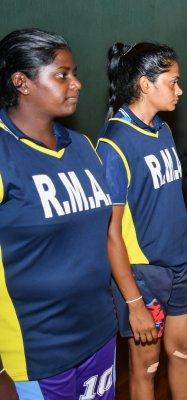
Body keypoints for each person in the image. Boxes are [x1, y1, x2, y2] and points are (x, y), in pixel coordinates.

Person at [0, 29, 117, 400]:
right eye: (62, 74)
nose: (77, 84)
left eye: (75, 72)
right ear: (22, 83)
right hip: (38, 351)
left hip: (98, 333)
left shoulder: (83, 146)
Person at [97, 42, 187, 400]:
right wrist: (133, 302)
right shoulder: (114, 145)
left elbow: (173, 206)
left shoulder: (164, 130)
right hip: (144, 275)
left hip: (181, 265)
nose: (180, 90)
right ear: (145, 84)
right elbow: (111, 233)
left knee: (183, 351)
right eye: (173, 82)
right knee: (147, 367)